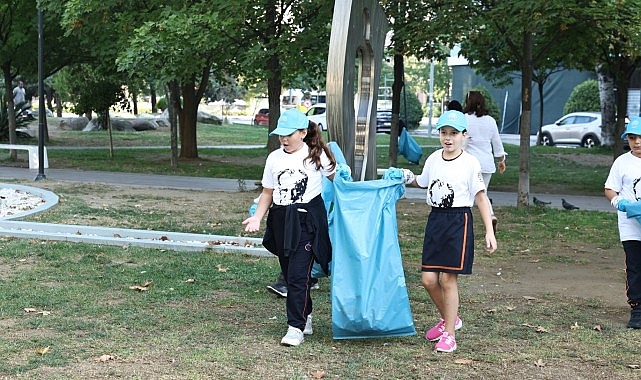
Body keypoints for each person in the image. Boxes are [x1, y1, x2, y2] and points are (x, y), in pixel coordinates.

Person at [402, 110, 497, 353]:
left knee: (447, 279)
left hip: (458, 222)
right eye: (444, 133)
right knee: (428, 279)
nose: (448, 138)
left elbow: (481, 198)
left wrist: (489, 230)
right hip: (436, 220)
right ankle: (450, 318)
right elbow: (423, 181)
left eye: (454, 133)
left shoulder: (470, 162)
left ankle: (450, 335)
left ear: (464, 136)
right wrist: (406, 176)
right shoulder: (434, 158)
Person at [243, 108, 336, 346]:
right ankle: (307, 315)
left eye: (289, 134)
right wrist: (257, 218)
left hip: (307, 221)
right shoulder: (274, 158)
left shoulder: (317, 155)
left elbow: (341, 182)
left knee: (296, 275)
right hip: (282, 220)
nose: (284, 139)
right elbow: (267, 192)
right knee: (292, 273)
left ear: (303, 132)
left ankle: (295, 327)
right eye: (280, 134)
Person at [604, 116, 641, 329]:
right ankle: (637, 309)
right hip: (630, 225)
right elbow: (610, 188)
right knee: (635, 266)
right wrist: (619, 202)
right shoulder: (622, 162)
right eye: (632, 138)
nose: (637, 142)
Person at [462, 91, 506, 233]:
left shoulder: (463, 119)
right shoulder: (490, 120)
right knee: (482, 193)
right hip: (487, 163)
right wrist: (501, 159)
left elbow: (461, 141)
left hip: (469, 163)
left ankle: (464, 222)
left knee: (467, 194)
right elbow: (497, 143)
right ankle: (491, 216)